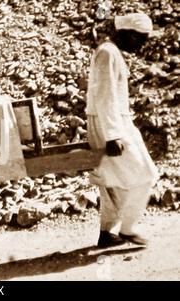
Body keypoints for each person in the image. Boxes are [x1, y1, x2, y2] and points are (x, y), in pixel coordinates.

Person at [86, 13, 159, 248]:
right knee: (146, 174)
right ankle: (127, 229)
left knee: (113, 179)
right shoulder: (108, 52)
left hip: (113, 122)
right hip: (110, 124)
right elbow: (104, 95)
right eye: (140, 39)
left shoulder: (111, 52)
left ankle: (107, 233)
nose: (142, 44)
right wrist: (112, 135)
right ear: (128, 34)